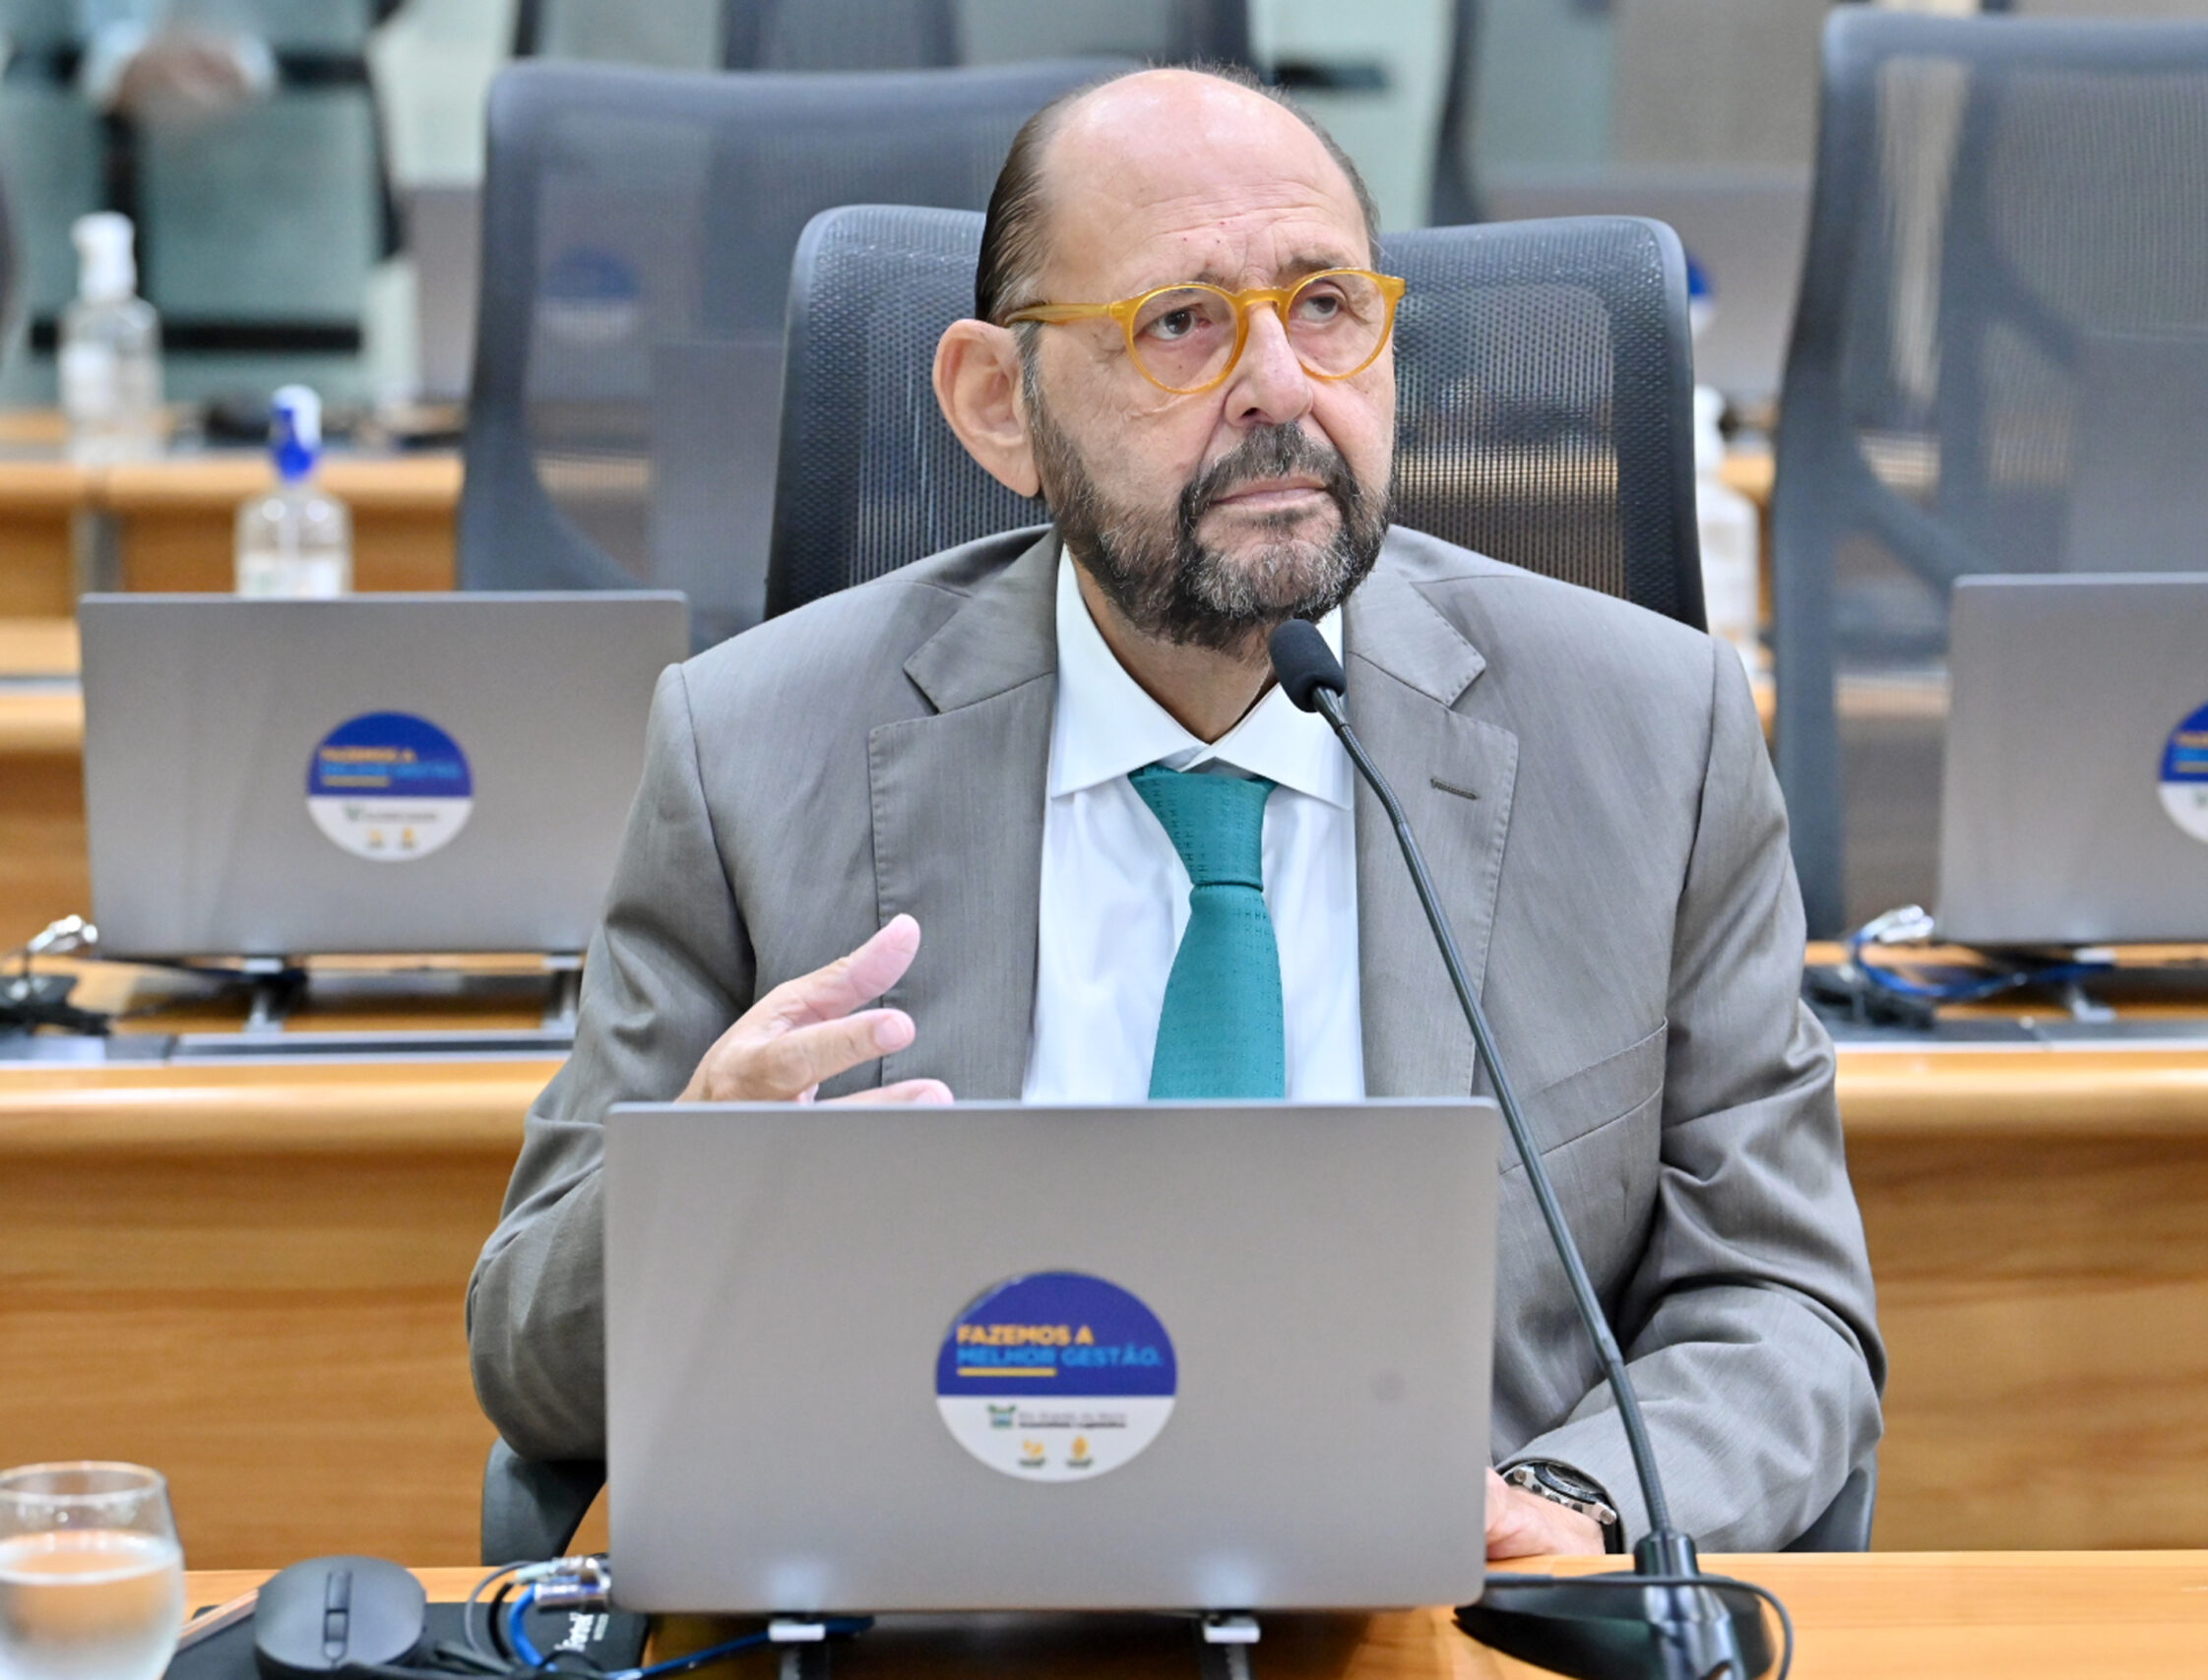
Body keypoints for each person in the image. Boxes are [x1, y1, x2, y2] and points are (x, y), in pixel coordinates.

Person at [469, 65, 1884, 1558]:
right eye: (1182, 324)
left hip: (1452, 1628)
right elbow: (532, 1365)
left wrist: (1571, 1507)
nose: (1281, 386)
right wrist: (691, 1197)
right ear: (996, 403)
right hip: (949, 1622)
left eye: (1328, 306)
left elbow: (1781, 1305)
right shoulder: (750, 751)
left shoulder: (1657, 736)